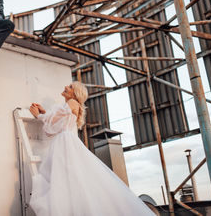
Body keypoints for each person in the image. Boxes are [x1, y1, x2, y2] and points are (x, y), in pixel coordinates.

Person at [29, 81, 155, 216]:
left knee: (62, 178)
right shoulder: (69, 105)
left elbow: (53, 121)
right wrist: (45, 114)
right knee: (67, 178)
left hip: (64, 143)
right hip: (62, 142)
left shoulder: (72, 102)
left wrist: (39, 115)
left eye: (70, 87)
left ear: (76, 94)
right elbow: (55, 126)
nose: (66, 87)